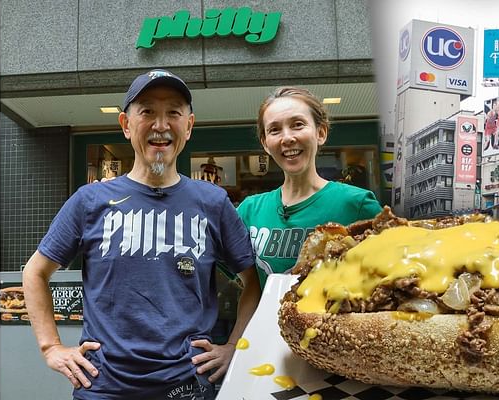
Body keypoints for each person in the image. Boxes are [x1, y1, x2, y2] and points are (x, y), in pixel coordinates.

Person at [22, 69, 259, 400]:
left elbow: (253, 281)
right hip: (102, 387)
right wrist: (51, 347)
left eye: (173, 113)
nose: (160, 125)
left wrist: (235, 346)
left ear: (188, 126)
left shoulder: (213, 202)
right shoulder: (90, 201)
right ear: (126, 125)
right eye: (147, 111)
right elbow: (35, 272)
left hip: (186, 386)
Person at [236, 86, 384, 289]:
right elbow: (249, 287)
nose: (287, 138)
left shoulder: (356, 204)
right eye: (274, 129)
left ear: (320, 133)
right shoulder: (249, 210)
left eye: (297, 125)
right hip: (264, 321)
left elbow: (382, 279)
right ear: (265, 143)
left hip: (329, 321)